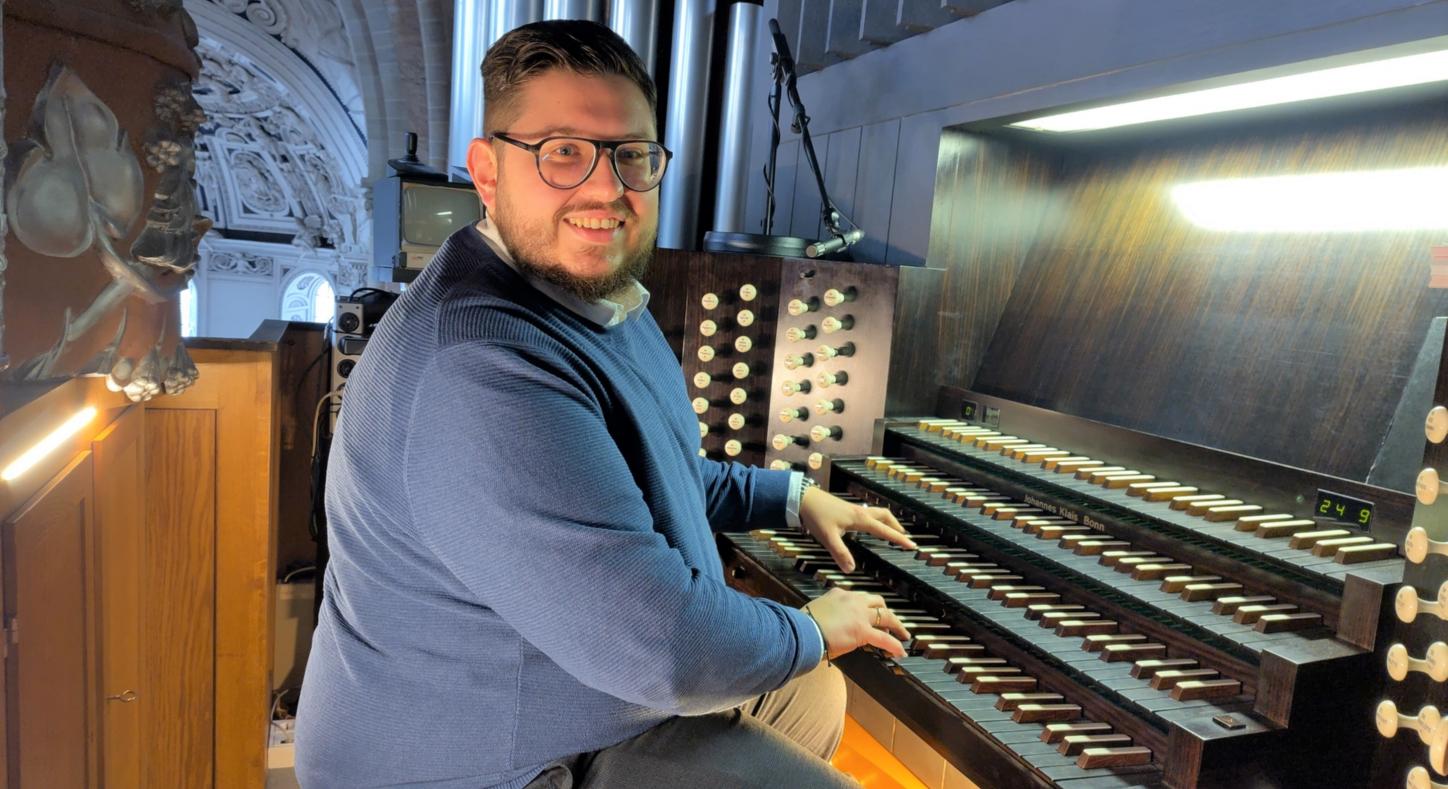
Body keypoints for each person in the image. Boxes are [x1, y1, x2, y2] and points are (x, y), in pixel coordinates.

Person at [296, 20, 916, 789]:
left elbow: (647, 472)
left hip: (580, 686)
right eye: (562, 151)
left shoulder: (586, 293)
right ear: (486, 173)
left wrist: (792, 495)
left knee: (810, 689)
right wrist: (810, 625)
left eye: (631, 155)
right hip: (486, 760)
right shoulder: (481, 364)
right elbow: (665, 649)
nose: (604, 187)